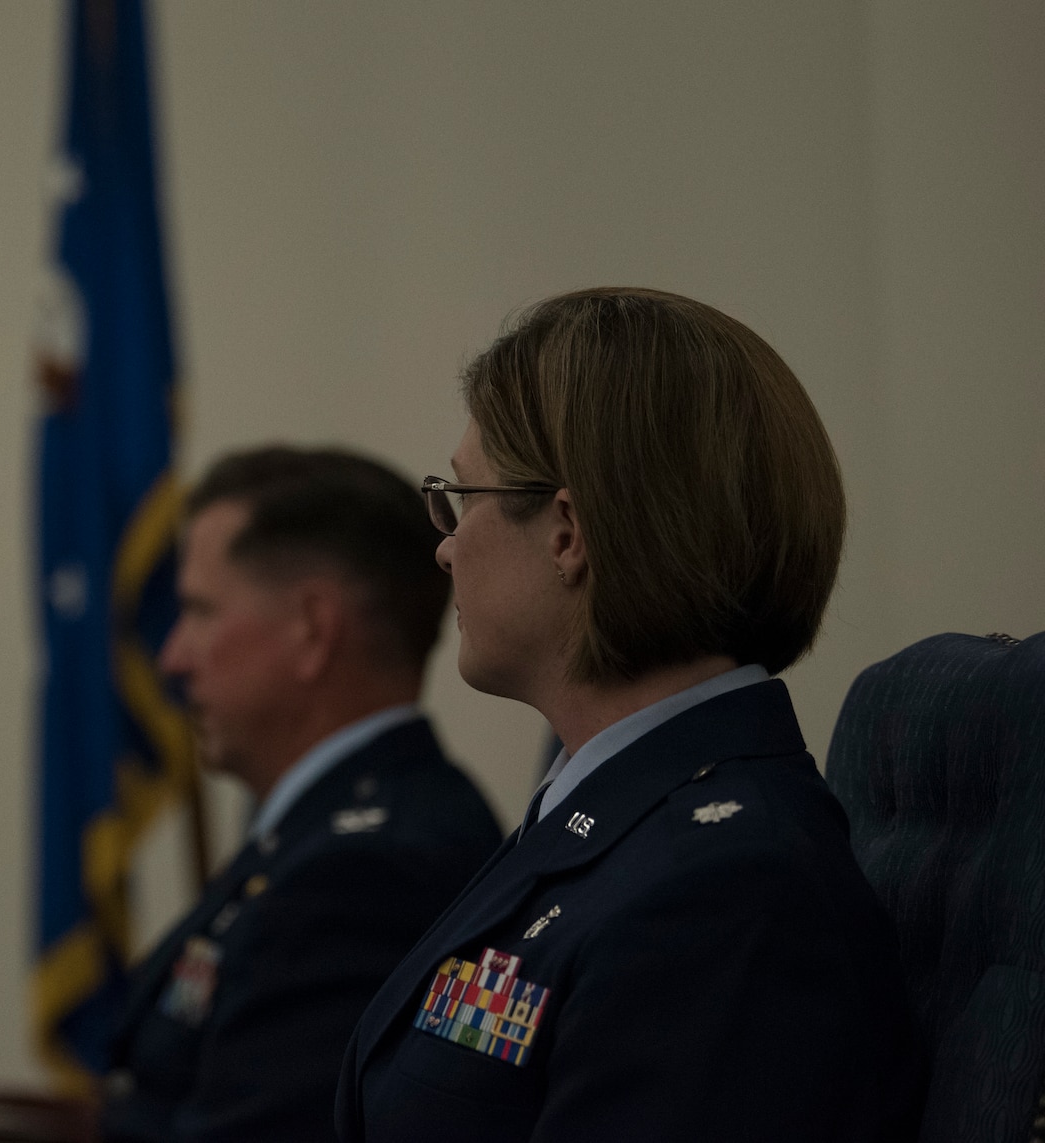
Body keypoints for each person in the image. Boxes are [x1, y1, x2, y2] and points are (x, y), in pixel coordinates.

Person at [337, 289, 921, 1142]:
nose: (445, 544)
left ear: (568, 532)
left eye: (463, 497)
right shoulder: (609, 815)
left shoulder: (727, 892)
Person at [101, 447, 502, 1143]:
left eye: (198, 610)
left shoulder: (363, 874)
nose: (172, 658)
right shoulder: (319, 833)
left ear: (312, 627)